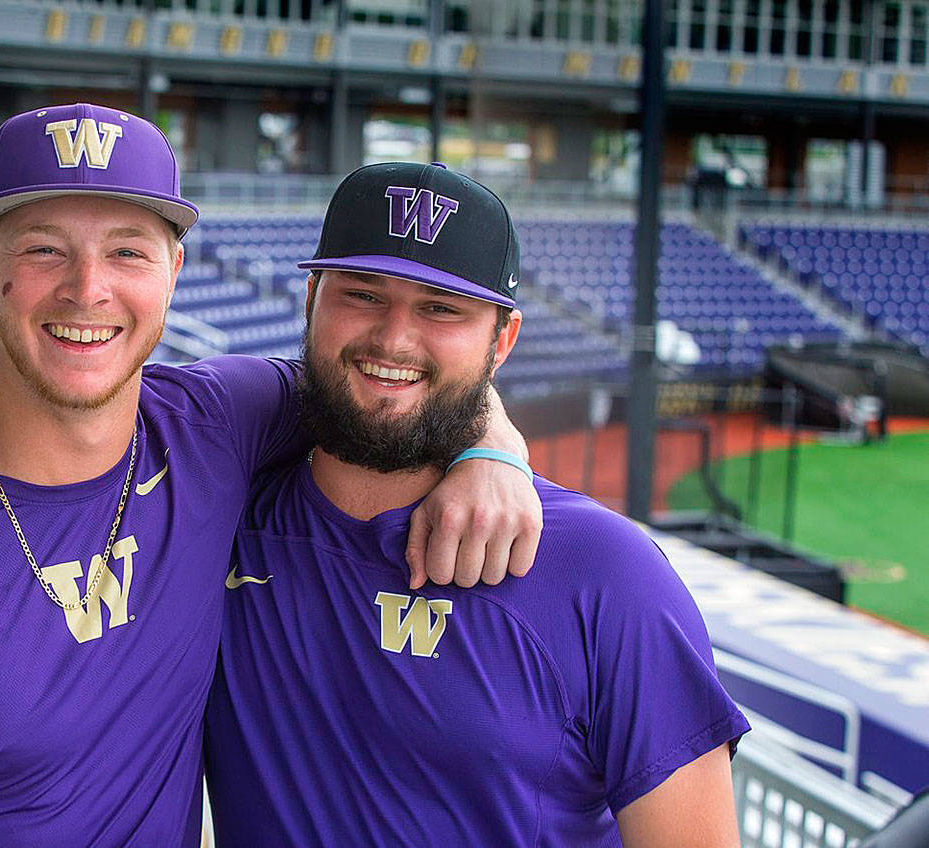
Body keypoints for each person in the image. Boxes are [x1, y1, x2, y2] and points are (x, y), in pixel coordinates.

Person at [0, 105, 539, 846]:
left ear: (174, 273)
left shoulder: (215, 425)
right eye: (43, 250)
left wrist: (492, 450)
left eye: (128, 252)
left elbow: (382, 376)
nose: (87, 290)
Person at [203, 162, 751, 846]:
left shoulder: (607, 573)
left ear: (503, 340)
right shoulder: (220, 517)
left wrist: (494, 444)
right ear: (313, 296)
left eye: (441, 308)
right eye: (363, 294)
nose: (394, 339)